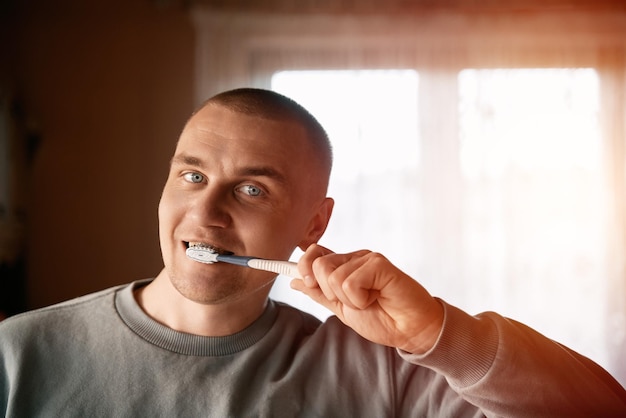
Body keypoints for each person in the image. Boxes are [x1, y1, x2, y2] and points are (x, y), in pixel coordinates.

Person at [1, 88, 625, 417]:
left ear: (315, 222)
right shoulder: (17, 355)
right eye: (191, 176)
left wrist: (441, 331)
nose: (206, 212)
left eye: (251, 189)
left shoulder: (380, 375)